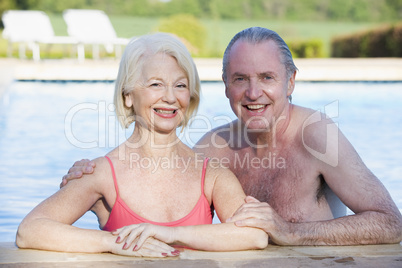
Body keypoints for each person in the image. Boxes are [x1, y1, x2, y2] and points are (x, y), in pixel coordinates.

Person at [62, 27, 402, 246]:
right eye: (240, 79)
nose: (254, 93)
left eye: (267, 77)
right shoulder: (214, 148)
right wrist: (97, 192)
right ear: (225, 86)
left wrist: (292, 232)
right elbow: (158, 202)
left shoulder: (317, 135)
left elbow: (390, 223)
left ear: (290, 81)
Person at [16, 32, 268, 257]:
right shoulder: (101, 173)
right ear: (128, 95)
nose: (170, 97)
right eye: (155, 84)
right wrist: (112, 242)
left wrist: (170, 234)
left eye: (180, 85)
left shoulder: (212, 175)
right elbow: (29, 231)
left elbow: (254, 236)